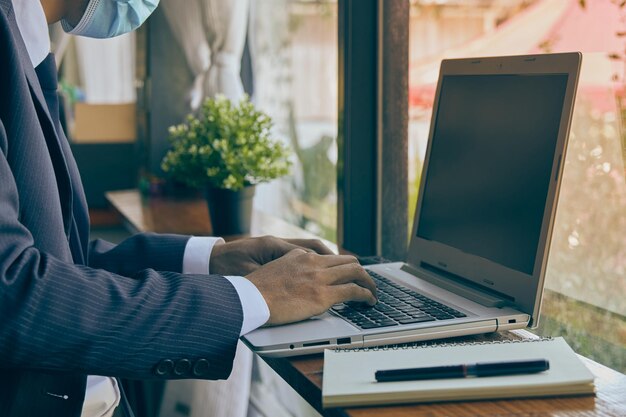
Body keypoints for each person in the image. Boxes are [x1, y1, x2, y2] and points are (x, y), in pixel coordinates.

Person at [0, 0, 377, 416]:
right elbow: (13, 291)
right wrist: (253, 297)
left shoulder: (24, 40)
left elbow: (63, 259)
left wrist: (213, 259)